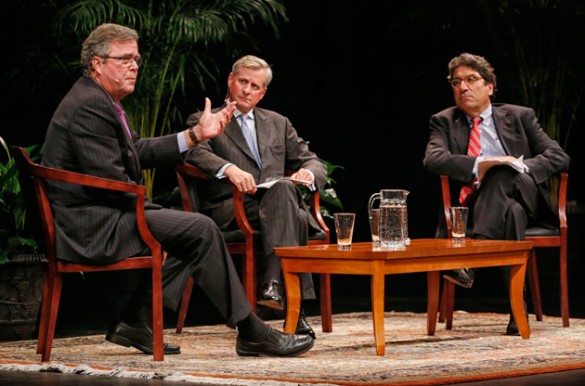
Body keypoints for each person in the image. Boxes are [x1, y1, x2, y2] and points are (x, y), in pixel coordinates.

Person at [41, 23, 314, 357]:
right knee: (198, 227)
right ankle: (251, 330)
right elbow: (112, 182)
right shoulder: (90, 104)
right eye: (125, 59)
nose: (135, 66)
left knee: (189, 227)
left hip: (103, 209)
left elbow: (136, 150)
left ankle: (135, 320)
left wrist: (196, 135)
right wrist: (152, 209)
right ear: (98, 63)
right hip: (91, 222)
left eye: (136, 59)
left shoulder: (99, 98)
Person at [423, 52, 570, 335]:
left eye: (470, 80)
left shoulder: (519, 116)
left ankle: (468, 260)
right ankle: (518, 310)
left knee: (503, 174)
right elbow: (433, 159)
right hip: (477, 205)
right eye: (456, 82)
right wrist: (479, 165)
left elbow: (558, 156)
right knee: (510, 212)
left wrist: (519, 166)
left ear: (489, 86)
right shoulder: (443, 121)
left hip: (525, 194)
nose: (462, 87)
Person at [183, 55, 328, 339]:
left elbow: (312, 161)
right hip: (233, 207)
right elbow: (194, 152)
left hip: (276, 207)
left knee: (284, 190)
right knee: (295, 213)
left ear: (263, 92)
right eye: (243, 82)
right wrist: (229, 169)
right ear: (230, 80)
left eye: (254, 86)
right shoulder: (206, 119)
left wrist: (308, 175)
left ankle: (274, 285)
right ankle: (296, 311)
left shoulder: (278, 122)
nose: (247, 90)